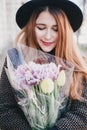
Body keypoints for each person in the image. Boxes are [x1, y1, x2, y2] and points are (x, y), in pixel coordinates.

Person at [0, 0, 87, 130]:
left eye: (56, 29)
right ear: (31, 27)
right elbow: (5, 110)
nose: (48, 36)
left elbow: (83, 112)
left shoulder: (79, 63)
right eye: (41, 27)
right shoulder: (15, 60)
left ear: (65, 31)